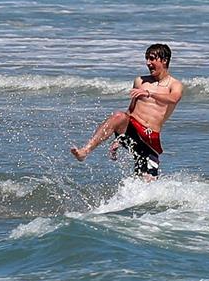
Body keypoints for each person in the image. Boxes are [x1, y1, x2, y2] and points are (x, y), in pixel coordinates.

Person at [70, 43, 184, 180]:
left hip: (149, 138)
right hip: (133, 129)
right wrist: (119, 138)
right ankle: (85, 151)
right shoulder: (140, 81)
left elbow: (174, 98)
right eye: (147, 59)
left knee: (147, 182)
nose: (148, 63)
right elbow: (131, 111)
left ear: (164, 60)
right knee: (118, 115)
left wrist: (149, 93)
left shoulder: (174, 84)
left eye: (152, 59)